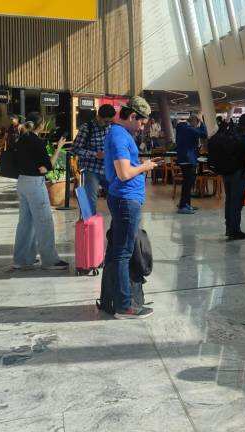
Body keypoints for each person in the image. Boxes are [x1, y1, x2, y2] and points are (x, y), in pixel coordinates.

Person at [105, 96, 160, 318]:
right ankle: (124, 306)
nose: (142, 126)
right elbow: (124, 173)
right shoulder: (119, 136)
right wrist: (145, 166)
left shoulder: (119, 134)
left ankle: (115, 300)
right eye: (141, 122)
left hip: (124, 199)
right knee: (123, 253)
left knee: (118, 251)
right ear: (133, 116)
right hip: (126, 200)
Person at [12, 112, 69, 271]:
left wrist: (40, 167)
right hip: (34, 184)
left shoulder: (21, 139)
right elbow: (48, 166)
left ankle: (22, 260)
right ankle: (50, 260)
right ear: (41, 125)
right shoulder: (36, 142)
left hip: (22, 182)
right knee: (44, 222)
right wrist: (58, 149)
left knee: (25, 222)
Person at [72, 104, 116, 215]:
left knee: (117, 196)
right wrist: (95, 154)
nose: (108, 125)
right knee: (89, 203)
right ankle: (88, 227)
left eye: (110, 122)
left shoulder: (112, 127)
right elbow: (75, 149)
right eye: (106, 122)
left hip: (108, 169)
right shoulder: (87, 128)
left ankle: (116, 226)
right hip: (90, 170)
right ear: (98, 117)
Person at [222, 113, 245, 240]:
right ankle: (235, 231)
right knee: (236, 203)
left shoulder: (230, 134)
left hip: (226, 172)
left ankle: (229, 228)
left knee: (229, 201)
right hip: (239, 174)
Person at [175, 115, 207, 214]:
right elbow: (204, 134)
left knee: (187, 183)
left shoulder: (182, 128)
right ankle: (183, 206)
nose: (196, 127)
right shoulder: (188, 129)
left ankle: (186, 204)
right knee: (188, 184)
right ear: (194, 122)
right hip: (188, 159)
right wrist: (202, 123)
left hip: (184, 158)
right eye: (196, 124)